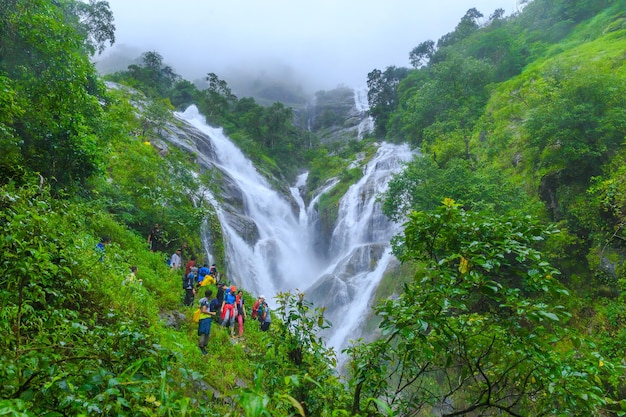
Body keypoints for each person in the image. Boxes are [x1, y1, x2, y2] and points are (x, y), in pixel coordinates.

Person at [198, 289, 216, 355]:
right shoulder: (206, 301)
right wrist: (212, 313)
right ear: (210, 295)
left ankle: (203, 346)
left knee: (204, 332)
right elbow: (204, 310)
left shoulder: (202, 300)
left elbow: (199, 307)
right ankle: (202, 346)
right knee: (205, 332)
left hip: (202, 318)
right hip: (205, 318)